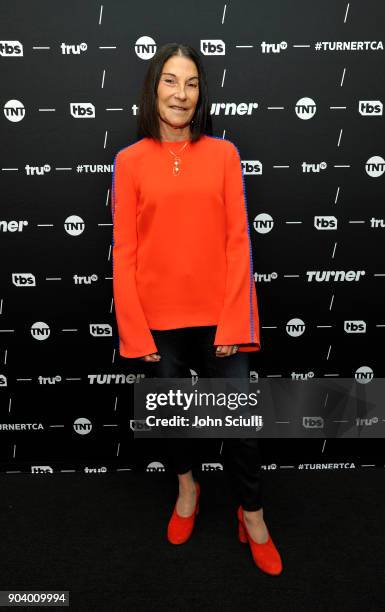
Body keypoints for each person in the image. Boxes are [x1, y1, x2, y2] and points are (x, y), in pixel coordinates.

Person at [111, 42, 283, 576]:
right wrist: (136, 334)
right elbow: (126, 254)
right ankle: (187, 489)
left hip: (218, 320)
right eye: (170, 80)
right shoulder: (130, 162)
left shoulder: (224, 154)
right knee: (171, 421)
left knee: (243, 426)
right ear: (154, 88)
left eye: (190, 83)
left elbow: (238, 242)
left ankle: (251, 515)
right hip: (158, 323)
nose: (180, 93)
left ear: (200, 92)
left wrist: (234, 320)